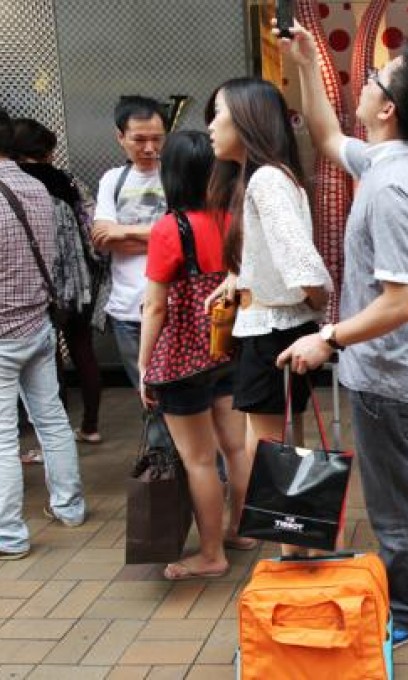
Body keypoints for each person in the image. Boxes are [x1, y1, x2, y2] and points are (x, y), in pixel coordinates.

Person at [275, 21, 408, 648]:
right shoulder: (394, 157)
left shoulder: (393, 190)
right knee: (403, 486)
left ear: (387, 108)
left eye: (377, 77)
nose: (368, 80)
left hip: (387, 374)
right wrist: (303, 61)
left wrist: (328, 338)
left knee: (391, 503)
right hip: (392, 368)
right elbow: (325, 135)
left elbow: (400, 303)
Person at [204, 77, 332, 556]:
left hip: (274, 330)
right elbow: (276, 255)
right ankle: (300, 546)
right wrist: (237, 281)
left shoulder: (265, 179)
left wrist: (318, 300)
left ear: (247, 120)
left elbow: (300, 260)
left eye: (218, 114)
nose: (211, 126)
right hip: (276, 328)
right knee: (278, 443)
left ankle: (293, 551)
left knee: (268, 447)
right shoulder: (268, 176)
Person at [137, 131, 251, 580]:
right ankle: (241, 529)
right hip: (226, 347)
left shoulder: (170, 227)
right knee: (236, 445)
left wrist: (146, 365)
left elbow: (155, 306)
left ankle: (210, 554)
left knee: (199, 459)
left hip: (182, 359)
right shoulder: (229, 219)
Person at [0, 106, 86, 560]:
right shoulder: (35, 187)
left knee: (2, 435)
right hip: (39, 323)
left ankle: (9, 535)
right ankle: (70, 509)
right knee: (51, 419)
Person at [11, 118, 104, 449]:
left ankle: (54, 434)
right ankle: (91, 426)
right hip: (78, 282)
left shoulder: (14, 185)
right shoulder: (70, 181)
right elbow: (92, 227)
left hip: (35, 284)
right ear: (48, 150)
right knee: (83, 350)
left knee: (48, 361)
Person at [92, 96, 172, 453]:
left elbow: (187, 236)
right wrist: (161, 235)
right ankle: (163, 478)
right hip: (127, 311)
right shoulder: (113, 179)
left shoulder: (177, 172)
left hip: (174, 309)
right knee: (150, 401)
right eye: (140, 139)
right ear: (120, 137)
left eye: (157, 138)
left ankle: (194, 474)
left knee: (186, 400)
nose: (150, 148)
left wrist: (127, 233)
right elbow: (103, 238)